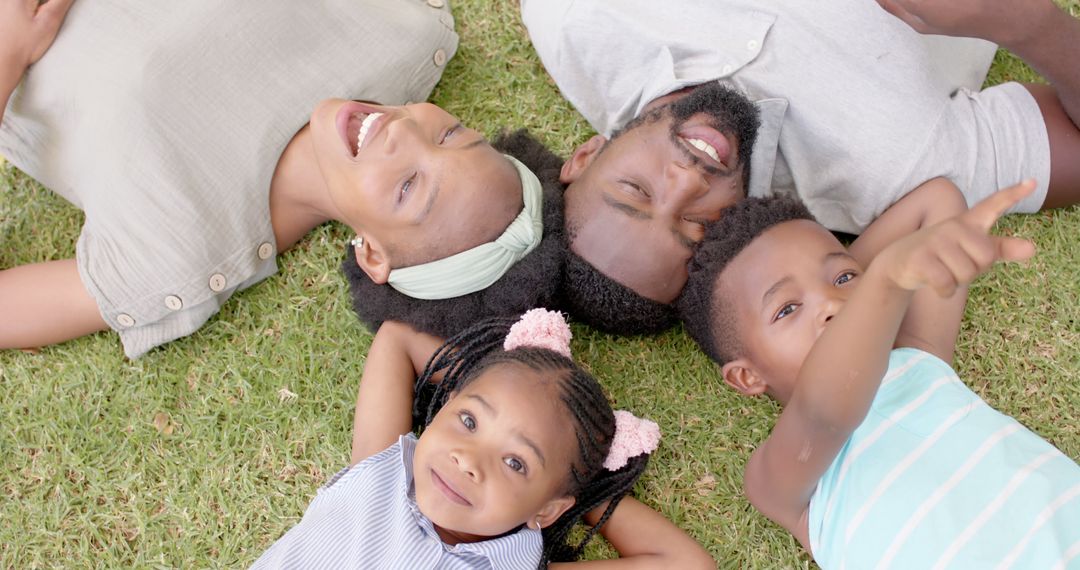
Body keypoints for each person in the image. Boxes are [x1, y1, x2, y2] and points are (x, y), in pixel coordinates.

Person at [0, 0, 563, 358]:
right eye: (450, 135)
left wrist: (8, 52)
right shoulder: (397, 36)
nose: (404, 132)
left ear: (373, 255)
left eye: (407, 188)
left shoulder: (183, 251)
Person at [520, 0, 1080, 334]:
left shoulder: (573, 17)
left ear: (586, 155)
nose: (688, 179)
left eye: (636, 189)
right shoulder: (889, 167)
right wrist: (1022, 23)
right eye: (697, 226)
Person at [677, 181, 1080, 567]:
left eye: (844, 279)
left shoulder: (919, 354)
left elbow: (938, 200)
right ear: (747, 377)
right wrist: (883, 279)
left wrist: (874, 281)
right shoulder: (782, 480)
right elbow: (827, 407)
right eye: (787, 309)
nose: (831, 304)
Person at [251, 309, 716, 569]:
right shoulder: (378, 472)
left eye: (516, 463)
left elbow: (686, 565)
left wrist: (577, 480)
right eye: (470, 421)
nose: (468, 460)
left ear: (548, 511)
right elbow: (397, 338)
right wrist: (492, 379)